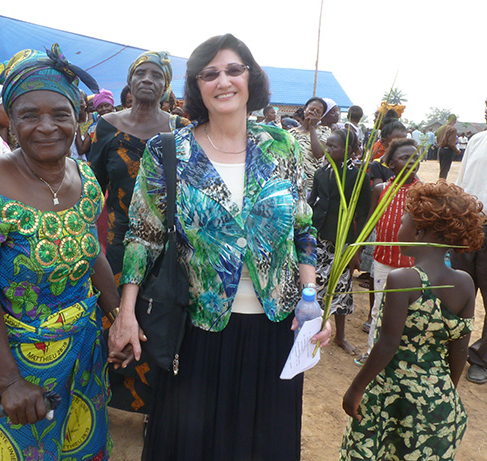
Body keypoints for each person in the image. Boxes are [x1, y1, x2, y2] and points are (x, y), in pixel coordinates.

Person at [108, 34, 332, 460]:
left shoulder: (280, 145)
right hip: (198, 329)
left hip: (275, 326)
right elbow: (143, 234)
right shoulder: (169, 150)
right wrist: (125, 313)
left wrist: (309, 297)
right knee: (195, 443)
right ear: (197, 86)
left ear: (251, 78)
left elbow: (302, 225)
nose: (223, 81)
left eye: (234, 69)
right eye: (209, 73)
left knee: (262, 440)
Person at [0, 44, 120, 458]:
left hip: (82, 351)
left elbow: (92, 251)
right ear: (11, 122)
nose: (46, 127)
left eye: (60, 114)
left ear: (78, 120)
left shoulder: (84, 177)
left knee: (84, 443)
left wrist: (117, 316)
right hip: (16, 361)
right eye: (29, 115)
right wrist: (9, 382)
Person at [341, 180, 483, 460]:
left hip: (394, 396)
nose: (398, 227)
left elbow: (387, 344)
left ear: (418, 230)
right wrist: (444, 396)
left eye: (403, 221)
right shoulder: (464, 283)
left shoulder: (402, 279)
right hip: (437, 399)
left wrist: (356, 389)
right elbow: (459, 351)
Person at [89, 51, 189, 414]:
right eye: (140, 74)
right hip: (117, 245)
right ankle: (107, 398)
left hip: (165, 248)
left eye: (156, 75)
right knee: (113, 316)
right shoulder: (107, 126)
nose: (147, 80)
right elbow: (93, 184)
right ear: (129, 83)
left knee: (157, 319)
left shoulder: (180, 129)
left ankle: (152, 407)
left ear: (166, 86)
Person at [356, 138, 421, 366]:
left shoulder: (423, 193)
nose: (412, 162)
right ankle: (373, 352)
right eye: (405, 158)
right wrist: (358, 250)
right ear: (391, 164)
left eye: (415, 158)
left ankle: (398, 357)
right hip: (383, 260)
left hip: (411, 264)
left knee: (407, 312)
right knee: (379, 308)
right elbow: (369, 222)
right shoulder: (381, 189)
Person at [309, 129, 371, 356]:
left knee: (341, 288)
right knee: (312, 286)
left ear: (349, 151)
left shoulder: (358, 177)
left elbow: (363, 214)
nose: (327, 149)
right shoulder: (321, 172)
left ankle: (340, 336)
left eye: (333, 146)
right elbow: (313, 201)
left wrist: (356, 249)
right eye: (327, 145)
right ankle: (312, 330)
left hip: (342, 241)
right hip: (317, 237)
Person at [451, 98, 487, 384]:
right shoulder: (476, 140)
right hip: (468, 225)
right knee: (458, 291)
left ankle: (480, 358)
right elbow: (462, 183)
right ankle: (452, 349)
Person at [288, 96, 330, 190]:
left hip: (312, 186)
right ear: (305, 110)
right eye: (311, 109)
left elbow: (318, 153)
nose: (313, 113)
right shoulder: (291, 133)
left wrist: (312, 127)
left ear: (321, 117)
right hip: (293, 185)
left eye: (317, 112)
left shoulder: (324, 131)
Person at [436, 114, 460, 179]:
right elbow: (451, 143)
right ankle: (441, 185)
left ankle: (441, 182)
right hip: (448, 151)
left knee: (442, 169)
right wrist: (457, 151)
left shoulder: (441, 128)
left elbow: (437, 139)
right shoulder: (453, 129)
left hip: (441, 149)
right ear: (455, 120)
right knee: (445, 170)